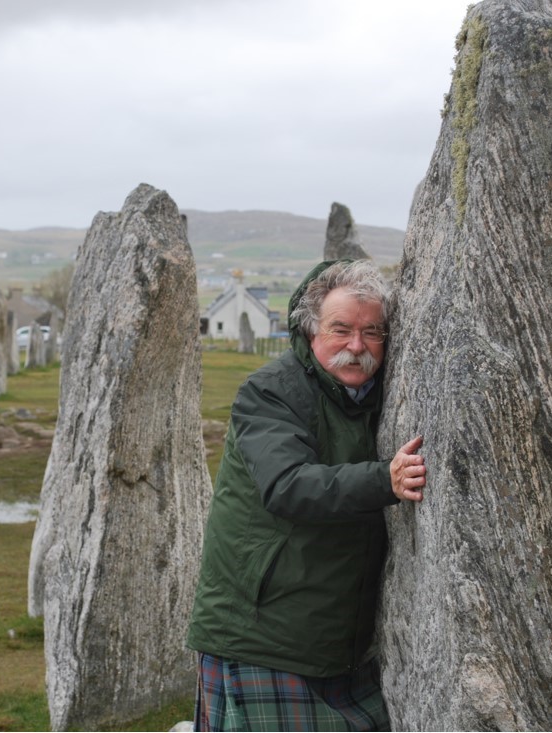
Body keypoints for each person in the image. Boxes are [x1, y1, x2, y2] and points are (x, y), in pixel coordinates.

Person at [186, 259, 426, 732]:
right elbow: (287, 485)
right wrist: (386, 480)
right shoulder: (270, 393)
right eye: (341, 329)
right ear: (310, 328)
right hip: (258, 634)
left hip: (340, 642)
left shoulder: (377, 398)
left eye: (372, 332)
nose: (356, 346)